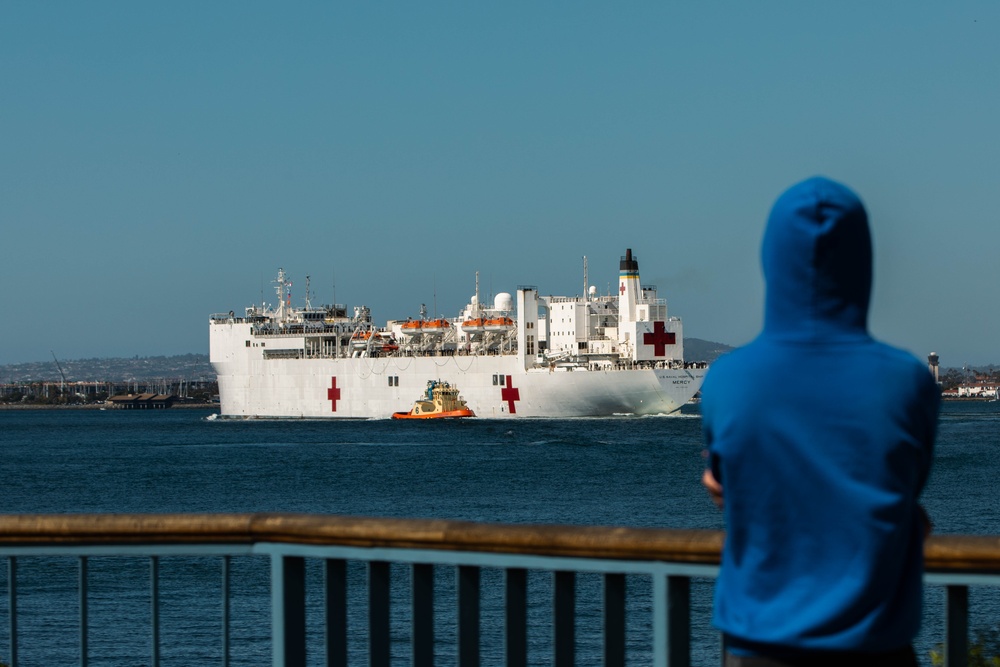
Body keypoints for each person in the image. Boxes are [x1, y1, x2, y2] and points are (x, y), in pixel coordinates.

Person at [700, 177, 939, 667]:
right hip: (877, 649)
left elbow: (725, 484)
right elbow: (906, 492)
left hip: (758, 648)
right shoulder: (910, 382)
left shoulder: (727, 380)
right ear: (863, 261)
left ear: (772, 259)